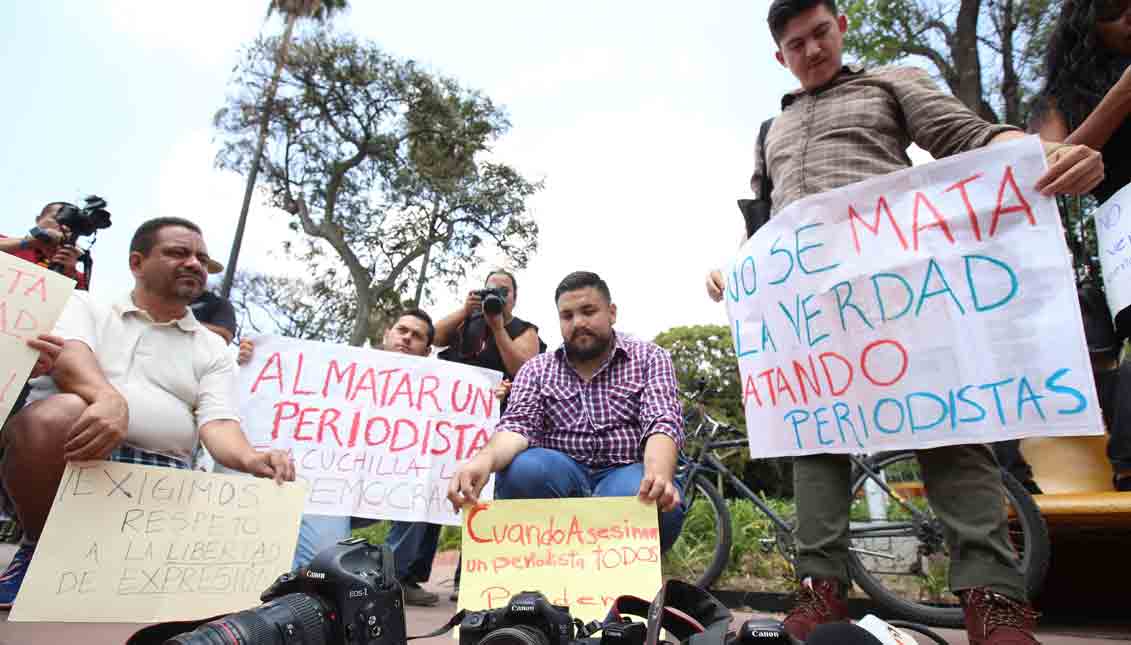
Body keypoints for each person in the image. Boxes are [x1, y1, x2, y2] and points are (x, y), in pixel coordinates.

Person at [703, 1, 1104, 642]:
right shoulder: (768, 130)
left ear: (840, 28)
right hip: (807, 307)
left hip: (898, 290)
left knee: (950, 426)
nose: (811, 50)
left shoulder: (893, 82)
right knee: (815, 440)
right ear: (780, 56)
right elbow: (765, 220)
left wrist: (1039, 155)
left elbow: (966, 136)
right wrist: (740, 268)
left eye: (820, 33)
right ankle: (819, 589)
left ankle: (994, 598)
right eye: (796, 43)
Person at [0, 216, 295, 609]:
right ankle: (40, 550)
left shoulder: (212, 349)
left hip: (159, 489)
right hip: (71, 463)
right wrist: (108, 400)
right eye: (178, 252)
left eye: (201, 258)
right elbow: (71, 356)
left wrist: (252, 457)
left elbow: (219, 422)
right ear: (136, 263)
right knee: (56, 414)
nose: (194, 263)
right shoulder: (85, 304)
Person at [447, 271, 686, 553]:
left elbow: (662, 421)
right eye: (567, 316)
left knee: (642, 495)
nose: (578, 323)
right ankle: (548, 575)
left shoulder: (650, 357)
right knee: (522, 470)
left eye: (588, 311)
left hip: (627, 472)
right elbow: (516, 426)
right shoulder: (536, 369)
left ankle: (620, 586)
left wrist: (658, 475)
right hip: (558, 478)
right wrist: (482, 461)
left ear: (612, 313)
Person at [240, 308, 451, 606]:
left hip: (382, 494)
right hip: (327, 488)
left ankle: (393, 578)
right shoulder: (342, 367)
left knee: (427, 485)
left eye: (416, 336)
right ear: (386, 334)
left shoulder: (438, 388)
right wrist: (252, 359)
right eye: (402, 330)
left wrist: (488, 394)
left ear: (427, 350)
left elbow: (457, 431)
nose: (407, 338)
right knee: (323, 572)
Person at [1031, 0, 1131, 491]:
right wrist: (1122, 95)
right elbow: (1046, 168)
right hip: (1121, 233)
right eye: (1115, 9)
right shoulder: (1059, 99)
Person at [429, 269, 548, 600]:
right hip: (453, 424)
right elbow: (433, 338)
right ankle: (410, 574)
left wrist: (498, 328)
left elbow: (524, 367)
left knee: (487, 496)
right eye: (490, 288)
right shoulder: (466, 322)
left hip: (503, 425)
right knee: (437, 487)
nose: (497, 293)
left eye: (504, 290)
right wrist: (465, 312)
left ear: (515, 296)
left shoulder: (523, 329)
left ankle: (471, 575)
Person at [1, 202, 91, 290]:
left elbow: (78, 300)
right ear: (38, 219)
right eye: (59, 219)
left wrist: (68, 273)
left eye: (72, 225)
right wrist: (29, 242)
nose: (65, 227)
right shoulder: (5, 241)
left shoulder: (75, 275)